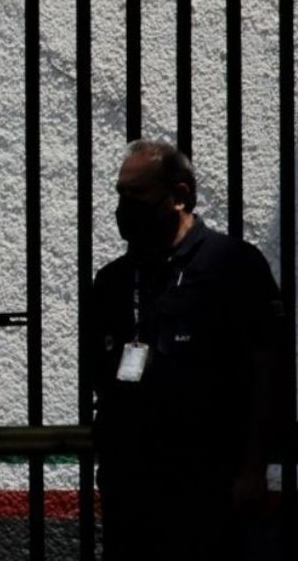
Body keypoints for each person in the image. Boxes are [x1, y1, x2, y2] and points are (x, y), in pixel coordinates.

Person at [90, 139, 284, 560]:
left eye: (137, 195)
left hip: (210, 488)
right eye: (120, 194)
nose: (124, 208)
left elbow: (268, 370)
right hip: (132, 492)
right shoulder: (113, 281)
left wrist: (253, 470)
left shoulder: (233, 266)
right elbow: (102, 376)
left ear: (178, 196)